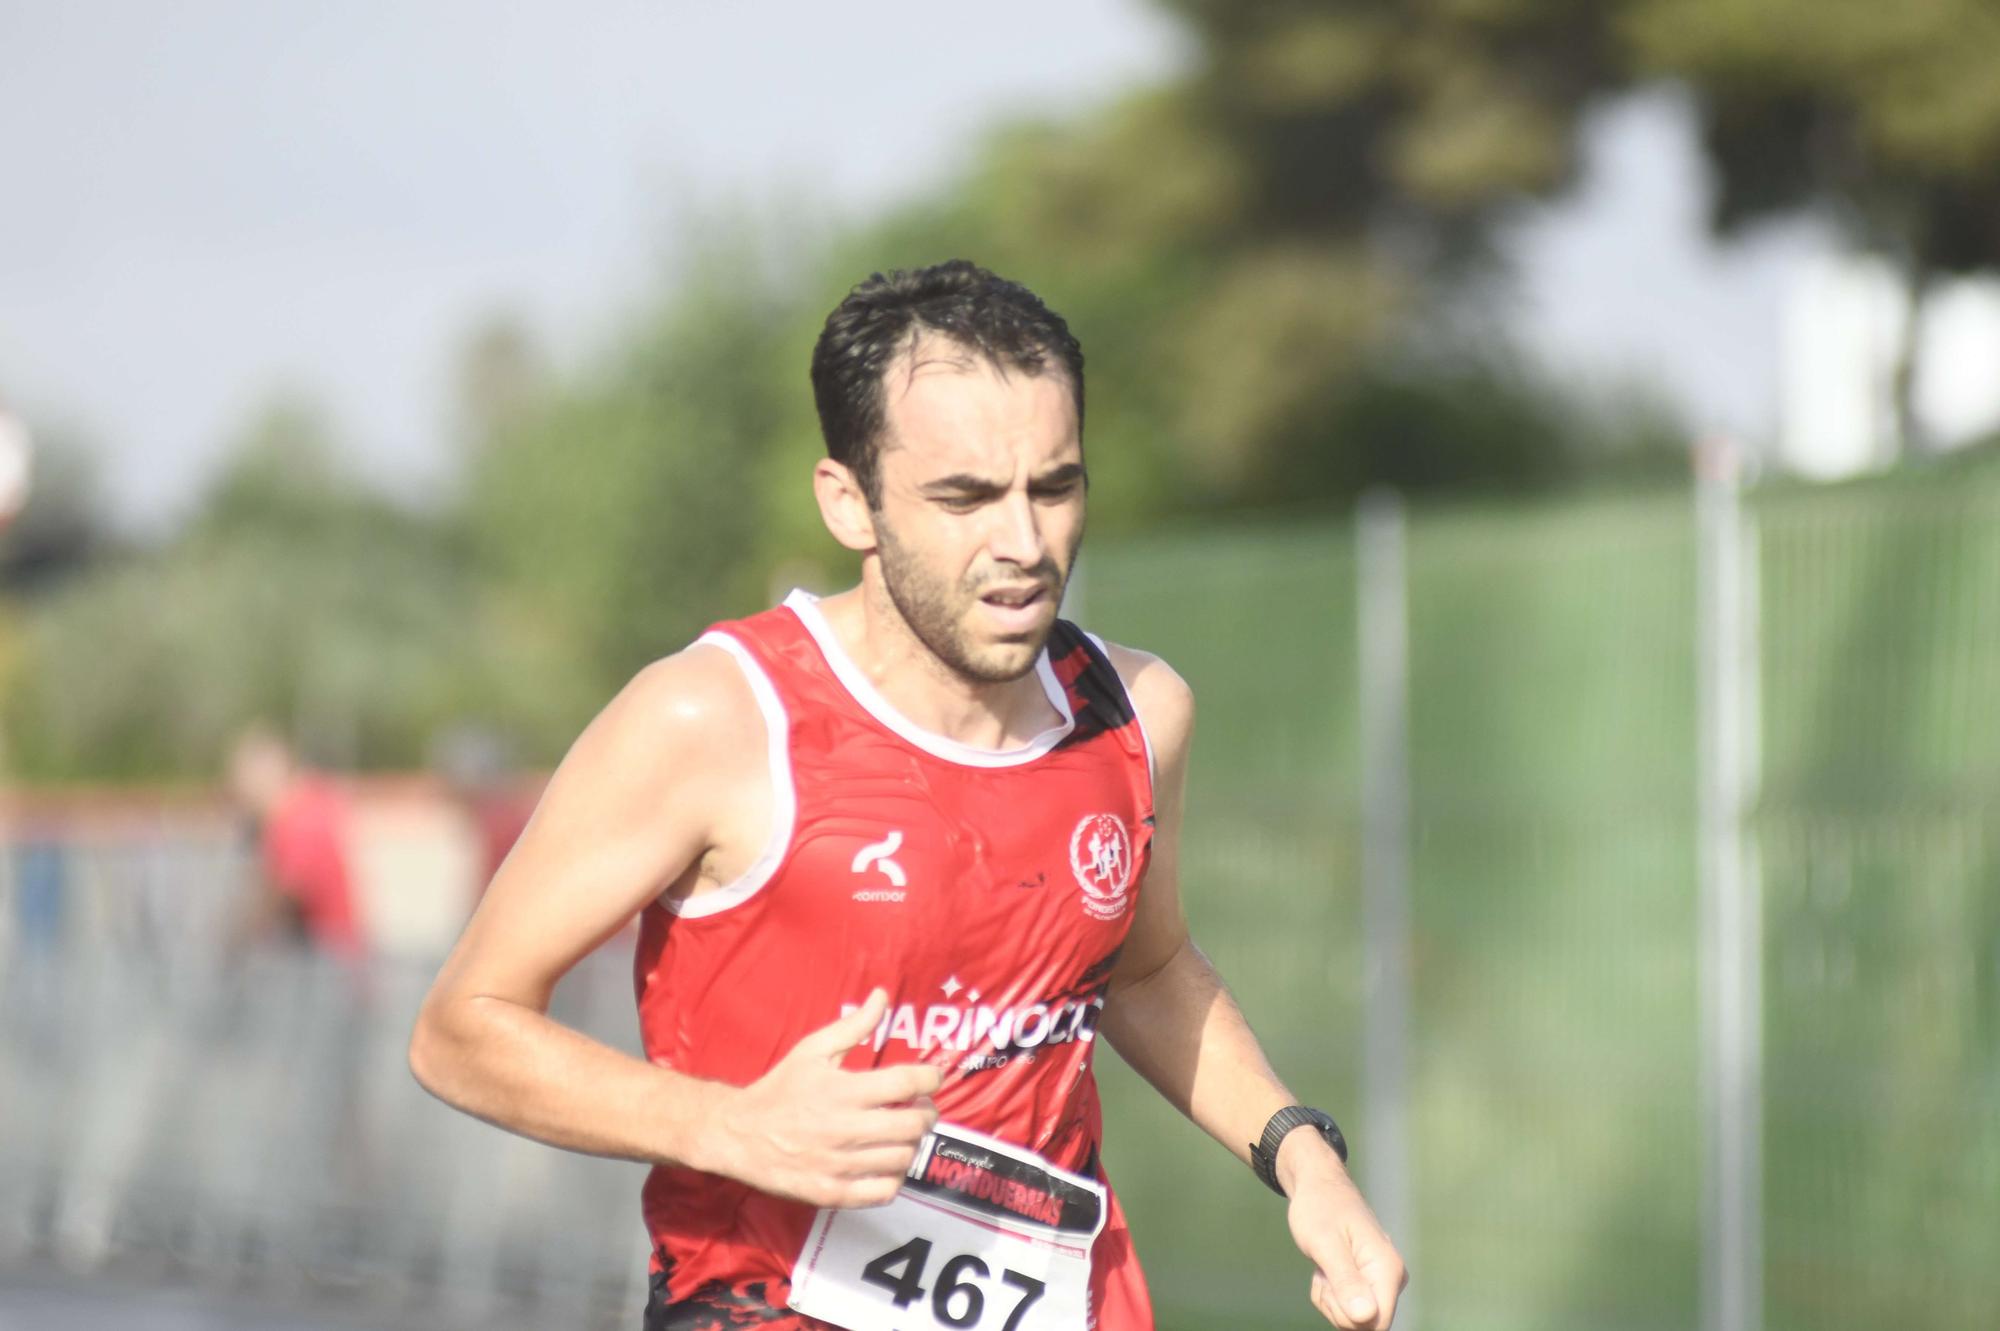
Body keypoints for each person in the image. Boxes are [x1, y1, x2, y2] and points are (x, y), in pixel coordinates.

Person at [409, 261, 1407, 1330]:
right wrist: (727, 1124)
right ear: (850, 502)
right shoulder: (715, 719)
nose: (1023, 544)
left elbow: (1144, 970)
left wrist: (1303, 1159)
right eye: (965, 497)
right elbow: (460, 1028)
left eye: (1054, 486)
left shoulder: (1135, 711)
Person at [226, 725, 363, 959]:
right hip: (326, 962)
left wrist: (236, 936)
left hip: (325, 967)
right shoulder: (306, 806)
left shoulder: (298, 819)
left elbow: (286, 893)